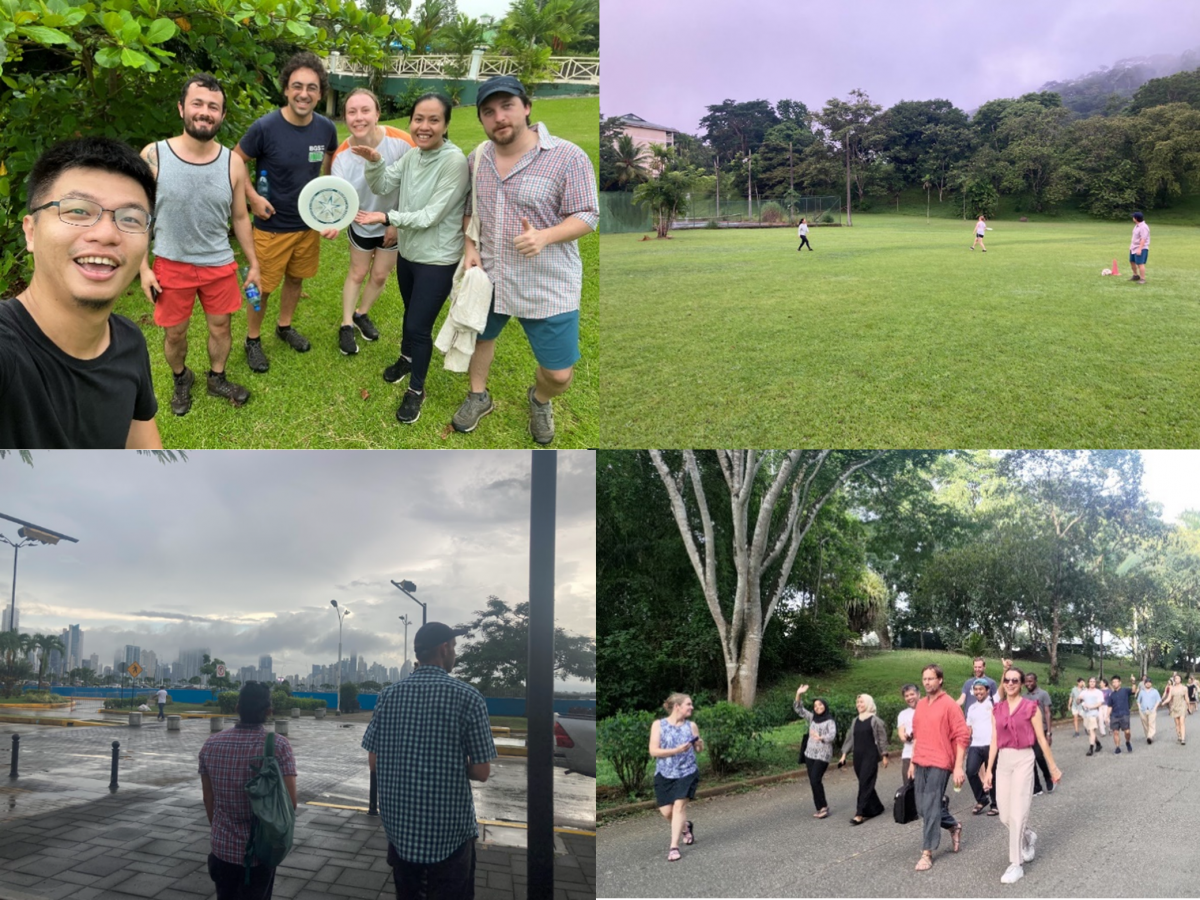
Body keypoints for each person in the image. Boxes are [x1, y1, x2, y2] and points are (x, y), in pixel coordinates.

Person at [454, 75, 599, 445]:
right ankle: (478, 395)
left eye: (507, 107)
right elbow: (470, 209)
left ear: (527, 107)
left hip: (547, 281)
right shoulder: (478, 158)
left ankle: (539, 399)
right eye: (488, 112)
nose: (499, 117)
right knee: (480, 337)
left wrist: (545, 236)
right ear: (482, 120)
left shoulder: (567, 156)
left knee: (560, 374)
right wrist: (470, 249)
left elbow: (587, 214)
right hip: (490, 274)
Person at [0, 137, 162, 449]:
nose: (106, 234)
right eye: (77, 211)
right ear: (31, 231)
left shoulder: (129, 341)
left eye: (130, 218)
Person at [139, 73, 257, 415]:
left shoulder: (232, 162)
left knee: (221, 326)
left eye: (214, 107)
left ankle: (217, 377)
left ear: (221, 115)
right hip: (170, 263)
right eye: (198, 104)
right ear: (181, 108)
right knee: (175, 333)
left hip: (219, 264)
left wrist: (256, 264)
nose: (205, 112)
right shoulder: (153, 156)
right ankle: (181, 377)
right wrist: (143, 268)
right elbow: (136, 216)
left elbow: (239, 218)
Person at [353, 93, 469, 425]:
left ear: (446, 124)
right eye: (418, 118)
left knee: (418, 326)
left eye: (434, 120)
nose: (424, 126)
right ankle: (406, 358)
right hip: (409, 254)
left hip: (438, 259)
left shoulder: (453, 161)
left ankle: (416, 390)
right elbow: (385, 182)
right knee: (410, 315)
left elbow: (432, 215)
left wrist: (388, 218)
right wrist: (375, 161)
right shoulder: (413, 155)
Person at [361, 622, 495, 898]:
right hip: (450, 832)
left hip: (400, 831)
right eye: (454, 648)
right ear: (444, 649)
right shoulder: (468, 697)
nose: (455, 654)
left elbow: (374, 763)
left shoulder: (387, 695)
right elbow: (482, 771)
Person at [233, 51, 339, 373]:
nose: (303, 93)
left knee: (295, 279)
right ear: (286, 89)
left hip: (308, 226)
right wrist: (251, 196)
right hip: (270, 226)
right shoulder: (265, 127)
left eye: (311, 87)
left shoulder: (325, 128)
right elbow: (234, 160)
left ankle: (284, 326)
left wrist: (327, 209)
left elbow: (331, 162)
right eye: (297, 86)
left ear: (320, 93)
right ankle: (252, 339)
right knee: (259, 287)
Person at [329, 87, 413, 356]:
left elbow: (415, 186)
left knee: (380, 274)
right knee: (358, 272)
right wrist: (336, 221)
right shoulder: (341, 156)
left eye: (366, 110)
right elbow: (338, 198)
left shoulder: (402, 142)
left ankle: (361, 314)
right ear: (344, 117)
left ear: (377, 113)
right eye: (351, 112)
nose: (359, 117)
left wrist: (395, 222)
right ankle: (345, 324)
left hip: (393, 221)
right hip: (363, 223)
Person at [198, 681, 298, 900]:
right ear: (269, 711)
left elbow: (208, 799)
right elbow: (290, 802)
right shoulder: (278, 746)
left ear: (237, 708)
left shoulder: (211, 744)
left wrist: (221, 830)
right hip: (261, 852)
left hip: (222, 848)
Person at [981, 665, 1062, 885]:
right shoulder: (996, 709)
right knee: (1004, 815)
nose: (1010, 684)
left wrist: (1053, 767)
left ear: (1021, 683)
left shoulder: (1031, 707)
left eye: (1015, 680)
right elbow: (994, 741)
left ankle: (1016, 864)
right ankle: (1028, 837)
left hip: (1025, 759)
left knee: (1017, 813)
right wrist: (988, 771)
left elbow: (1041, 740)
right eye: (1007, 680)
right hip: (1003, 762)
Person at [909, 664, 968, 872]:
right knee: (922, 808)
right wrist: (912, 762)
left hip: (941, 761)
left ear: (940, 680)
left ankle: (927, 853)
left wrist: (958, 767)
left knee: (932, 805)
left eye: (931, 678)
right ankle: (952, 825)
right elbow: (917, 735)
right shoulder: (922, 705)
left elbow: (962, 736)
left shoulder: (950, 705)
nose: (927, 682)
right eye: (924, 679)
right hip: (921, 760)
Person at [648, 692, 702, 861]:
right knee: (666, 812)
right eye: (688, 704)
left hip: (687, 772)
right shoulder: (659, 725)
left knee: (679, 807)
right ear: (677, 707)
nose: (691, 707)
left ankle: (674, 847)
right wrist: (676, 750)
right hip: (664, 774)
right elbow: (653, 751)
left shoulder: (691, 726)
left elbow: (699, 750)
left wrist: (699, 744)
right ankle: (685, 827)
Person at [837, 694, 889, 826]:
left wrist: (884, 755)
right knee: (865, 783)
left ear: (868, 703)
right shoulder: (855, 721)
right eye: (857, 702)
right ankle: (877, 807)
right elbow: (850, 739)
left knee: (864, 783)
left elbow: (882, 739)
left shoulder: (875, 720)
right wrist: (844, 755)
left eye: (862, 702)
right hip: (858, 757)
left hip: (870, 756)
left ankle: (859, 814)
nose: (859, 704)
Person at [794, 684, 835, 818]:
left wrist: (820, 737)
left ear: (825, 706)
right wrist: (798, 694)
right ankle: (821, 807)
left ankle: (823, 807)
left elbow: (832, 735)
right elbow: (799, 709)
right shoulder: (812, 718)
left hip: (823, 755)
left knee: (815, 779)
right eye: (816, 706)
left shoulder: (830, 721)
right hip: (809, 754)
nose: (818, 707)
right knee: (813, 780)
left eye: (820, 705)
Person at [965, 680, 997, 815]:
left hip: (991, 744)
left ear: (987, 690)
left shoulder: (993, 704)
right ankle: (982, 799)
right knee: (970, 771)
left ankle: (996, 804)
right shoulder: (971, 708)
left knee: (993, 774)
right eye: (976, 689)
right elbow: (969, 728)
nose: (978, 692)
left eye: (981, 689)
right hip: (975, 745)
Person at [1023, 671, 1055, 795]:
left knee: (1039, 756)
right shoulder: (1024, 696)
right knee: (1030, 759)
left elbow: (1047, 713)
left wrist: (1049, 733)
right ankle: (1037, 786)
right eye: (1026, 681)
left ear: (1035, 681)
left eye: (1030, 681)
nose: (1028, 684)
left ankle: (1047, 777)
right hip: (1028, 731)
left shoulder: (1043, 694)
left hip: (1041, 730)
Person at [896, 683, 919, 790]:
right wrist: (906, 737)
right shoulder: (903, 714)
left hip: (926, 754)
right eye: (906, 696)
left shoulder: (927, 709)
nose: (909, 698)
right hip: (908, 754)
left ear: (918, 694)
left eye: (911, 694)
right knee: (908, 785)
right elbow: (901, 733)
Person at [1107, 674, 1134, 754]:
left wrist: (1133, 682)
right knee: (1115, 732)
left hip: (1124, 714)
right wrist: (1106, 716)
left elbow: (1133, 690)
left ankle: (1127, 741)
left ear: (1120, 682)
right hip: (1114, 715)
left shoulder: (1125, 690)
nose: (1114, 683)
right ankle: (1117, 747)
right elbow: (1109, 706)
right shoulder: (1111, 695)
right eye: (1113, 682)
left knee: (1127, 732)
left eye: (1116, 682)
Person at [1080, 676, 1104, 756]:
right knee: (1090, 732)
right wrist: (1079, 700)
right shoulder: (1085, 692)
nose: (1092, 683)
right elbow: (1078, 700)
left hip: (1094, 714)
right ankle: (1098, 743)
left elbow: (1100, 703)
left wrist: (1091, 706)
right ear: (1088, 682)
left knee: (1091, 730)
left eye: (1093, 681)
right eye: (1090, 681)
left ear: (1095, 683)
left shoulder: (1098, 692)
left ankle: (1091, 748)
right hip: (1086, 714)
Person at [1160, 674, 1188, 745]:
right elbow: (1169, 698)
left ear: (1180, 679)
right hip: (1174, 706)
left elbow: (1187, 698)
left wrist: (1189, 707)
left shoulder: (1184, 688)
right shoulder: (1172, 688)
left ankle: (1183, 739)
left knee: (1182, 722)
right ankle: (1179, 735)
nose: (1177, 679)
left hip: (1182, 705)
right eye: (1175, 678)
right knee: (1177, 724)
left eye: (1178, 678)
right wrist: (1163, 703)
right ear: (1174, 680)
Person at [1135, 676, 1161, 744]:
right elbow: (1138, 700)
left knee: (1151, 723)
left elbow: (1158, 700)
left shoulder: (1155, 691)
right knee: (1145, 724)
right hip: (1143, 710)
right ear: (1144, 683)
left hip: (1152, 709)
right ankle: (1148, 736)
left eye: (1149, 682)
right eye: (1147, 682)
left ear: (1151, 683)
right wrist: (1139, 707)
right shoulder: (1142, 692)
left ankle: (1150, 736)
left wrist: (1155, 708)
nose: (1148, 684)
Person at [1129, 211, 1149, 284]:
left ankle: (1143, 279)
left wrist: (1140, 249)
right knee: (1132, 261)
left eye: (1133, 217)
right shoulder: (1137, 225)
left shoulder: (1144, 227)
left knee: (1140, 263)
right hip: (1133, 247)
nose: (1132, 218)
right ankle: (1135, 275)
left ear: (1136, 218)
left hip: (1141, 248)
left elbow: (1143, 239)